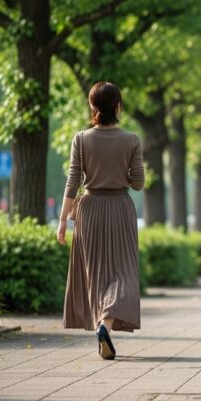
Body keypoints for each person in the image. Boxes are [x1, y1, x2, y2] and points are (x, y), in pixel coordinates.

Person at [56, 81, 145, 360]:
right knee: (124, 273)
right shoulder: (132, 140)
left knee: (95, 275)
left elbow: (73, 182)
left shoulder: (81, 139)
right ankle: (105, 324)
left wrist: (61, 222)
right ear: (118, 107)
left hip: (90, 211)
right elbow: (138, 184)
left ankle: (102, 323)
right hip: (120, 209)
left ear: (92, 108)